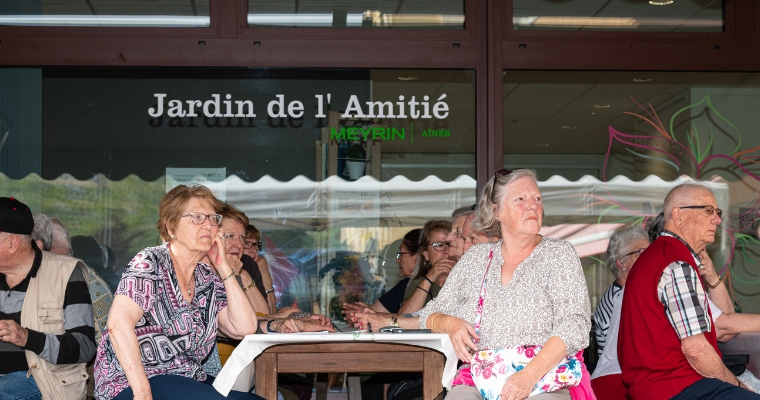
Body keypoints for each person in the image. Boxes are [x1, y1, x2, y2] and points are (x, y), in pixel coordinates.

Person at [356, 169, 592, 400]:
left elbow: (574, 325)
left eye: (537, 198)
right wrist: (449, 323)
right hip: (482, 378)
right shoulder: (477, 257)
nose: (533, 205)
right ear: (496, 211)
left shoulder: (559, 254)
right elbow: (431, 313)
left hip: (543, 379)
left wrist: (526, 377)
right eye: (520, 199)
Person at [93, 185, 301, 400]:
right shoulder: (150, 263)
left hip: (185, 379)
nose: (208, 225)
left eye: (213, 218)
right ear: (171, 225)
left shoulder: (206, 277)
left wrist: (224, 268)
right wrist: (142, 393)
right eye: (197, 217)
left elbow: (243, 328)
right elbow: (118, 325)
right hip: (134, 382)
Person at [619, 183, 760, 399]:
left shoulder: (658, 255)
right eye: (708, 210)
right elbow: (696, 350)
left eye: (717, 212)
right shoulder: (676, 263)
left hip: (654, 389)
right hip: (676, 388)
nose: (717, 219)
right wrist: (737, 386)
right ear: (678, 216)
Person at [0, 197, 97, 400]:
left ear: (12, 243)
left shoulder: (66, 273)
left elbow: (84, 347)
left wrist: (26, 337)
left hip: (43, 381)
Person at [593, 227, 649, 356]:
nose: (649, 256)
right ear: (621, 263)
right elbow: (630, 351)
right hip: (621, 373)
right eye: (641, 252)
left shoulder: (629, 293)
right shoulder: (620, 299)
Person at [342, 228, 421, 317]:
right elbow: (372, 311)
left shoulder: (432, 286)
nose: (397, 260)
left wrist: (368, 316)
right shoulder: (404, 285)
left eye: (400, 254)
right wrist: (357, 315)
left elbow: (411, 320)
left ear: (417, 258)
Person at [398, 220, 454, 314]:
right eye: (439, 245)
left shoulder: (466, 281)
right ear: (426, 254)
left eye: (450, 245)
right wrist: (428, 279)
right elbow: (403, 319)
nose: (447, 251)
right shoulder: (418, 284)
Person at [244, 224, 276, 314]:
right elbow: (266, 316)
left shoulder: (258, 268)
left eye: (255, 245)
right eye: (246, 243)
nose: (253, 249)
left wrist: (265, 274)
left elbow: (271, 313)